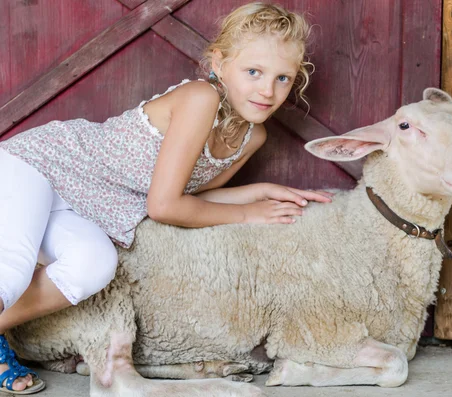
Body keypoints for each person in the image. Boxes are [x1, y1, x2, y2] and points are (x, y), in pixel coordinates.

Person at [0, 2, 332, 393]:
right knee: (13, 270)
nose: (267, 90)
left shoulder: (251, 137)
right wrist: (245, 215)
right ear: (220, 62)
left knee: (94, 264)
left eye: (283, 78)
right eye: (253, 72)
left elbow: (192, 190)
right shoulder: (199, 99)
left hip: (89, 205)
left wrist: (256, 191)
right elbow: (164, 207)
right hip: (43, 165)